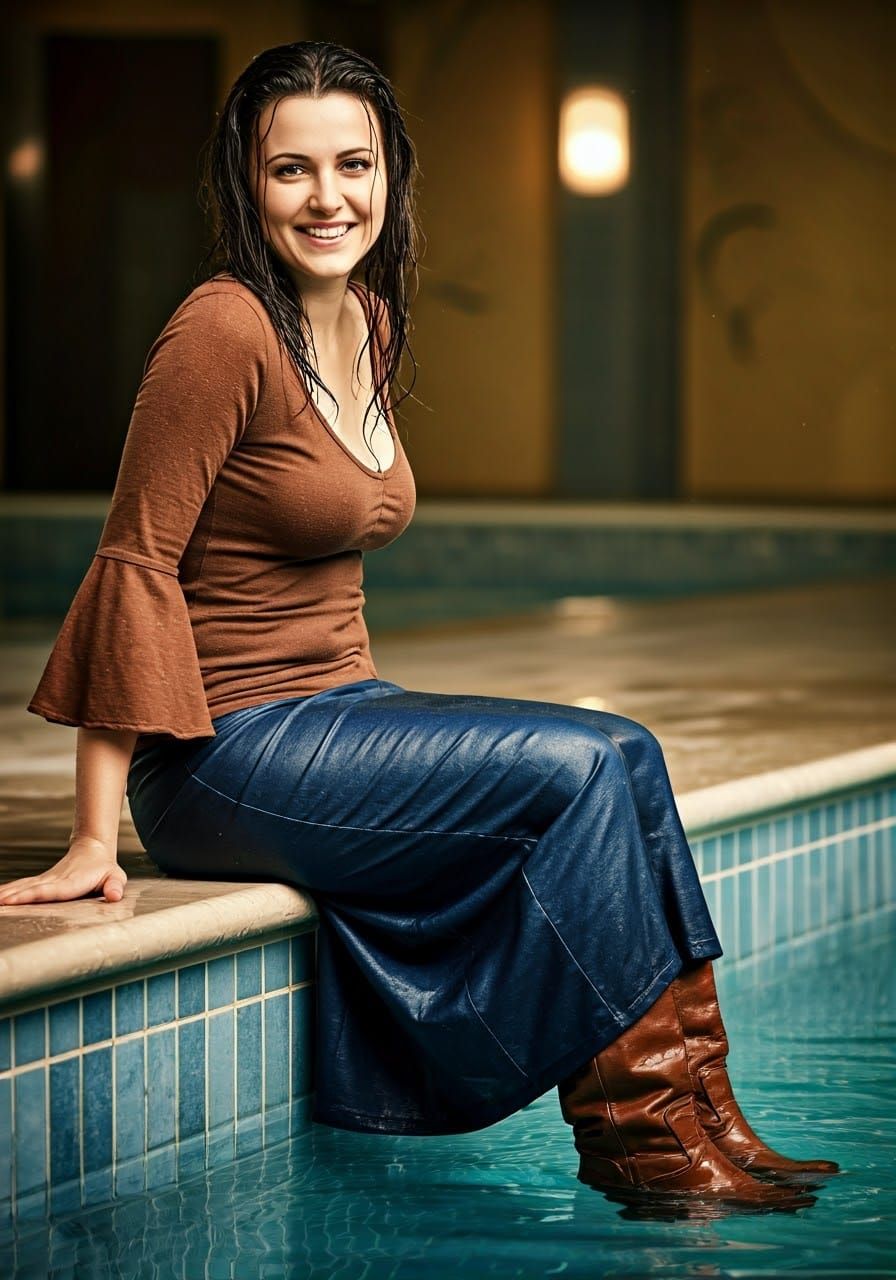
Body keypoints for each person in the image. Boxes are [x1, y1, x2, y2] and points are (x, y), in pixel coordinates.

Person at [3, 40, 837, 1215]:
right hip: (224, 753)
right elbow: (135, 559)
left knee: (627, 754)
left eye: (353, 164)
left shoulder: (370, 324)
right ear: (245, 184)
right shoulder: (222, 327)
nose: (326, 197)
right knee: (585, 764)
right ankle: (645, 1147)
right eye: (289, 171)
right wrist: (97, 835)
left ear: (390, 172)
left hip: (336, 712)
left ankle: (701, 1106)